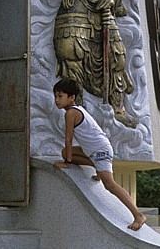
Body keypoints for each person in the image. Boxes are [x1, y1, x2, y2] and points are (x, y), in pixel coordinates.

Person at [51, 78, 146, 231]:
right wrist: (67, 157)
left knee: (110, 185)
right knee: (64, 153)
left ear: (72, 97)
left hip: (100, 150)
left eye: (60, 96)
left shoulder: (71, 113)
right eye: (55, 96)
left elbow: (68, 139)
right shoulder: (77, 110)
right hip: (95, 150)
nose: (57, 100)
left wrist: (67, 163)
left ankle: (138, 215)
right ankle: (97, 168)